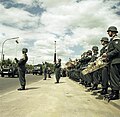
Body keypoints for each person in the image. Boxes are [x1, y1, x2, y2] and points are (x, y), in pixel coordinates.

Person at [102, 26, 120, 100]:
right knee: (112, 78)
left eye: (108, 31)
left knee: (115, 78)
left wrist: (107, 54)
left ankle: (116, 94)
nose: (108, 33)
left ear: (112, 32)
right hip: (112, 61)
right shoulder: (112, 40)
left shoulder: (116, 40)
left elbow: (118, 50)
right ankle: (113, 92)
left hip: (116, 61)